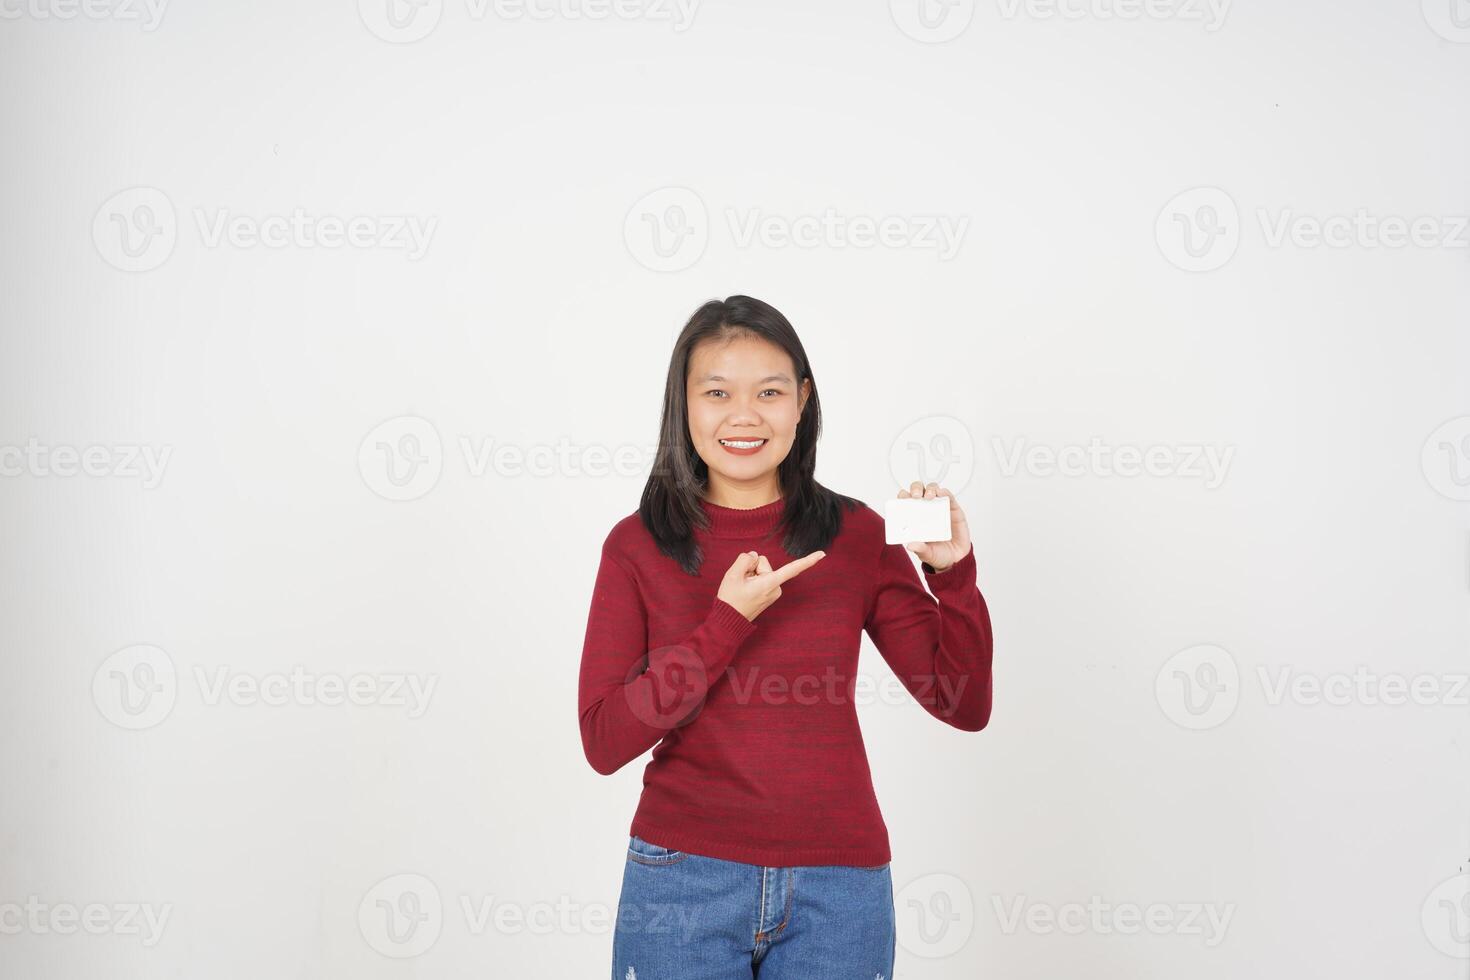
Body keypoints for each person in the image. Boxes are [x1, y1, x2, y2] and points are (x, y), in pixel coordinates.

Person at [577, 294, 995, 979]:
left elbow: (964, 705)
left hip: (840, 890)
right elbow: (603, 740)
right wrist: (726, 624)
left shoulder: (858, 534)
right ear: (683, 405)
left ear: (802, 401)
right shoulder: (636, 546)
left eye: (769, 392)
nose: (744, 415)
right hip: (683, 882)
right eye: (717, 392)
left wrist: (951, 575)